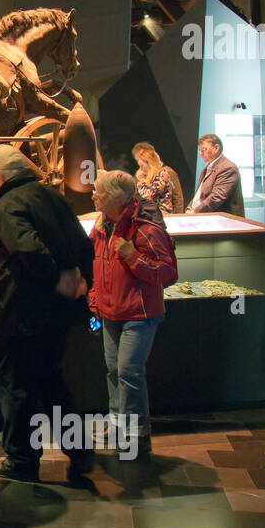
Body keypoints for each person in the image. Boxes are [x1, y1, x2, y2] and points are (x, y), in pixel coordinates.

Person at [0, 145, 94, 482]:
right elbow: (83, 244)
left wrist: (57, 277)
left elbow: (26, 247)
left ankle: (22, 460)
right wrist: (75, 277)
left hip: (20, 312)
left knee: (17, 386)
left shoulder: (8, 204)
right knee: (52, 382)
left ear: (1, 175)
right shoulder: (50, 196)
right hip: (55, 313)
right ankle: (80, 451)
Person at [88, 171, 177, 458]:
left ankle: (137, 435)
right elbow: (95, 264)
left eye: (98, 192)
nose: (93, 196)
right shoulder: (103, 224)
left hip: (139, 315)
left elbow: (167, 272)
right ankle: (117, 427)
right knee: (115, 372)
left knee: (128, 373)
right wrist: (95, 299)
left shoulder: (146, 229)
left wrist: (131, 255)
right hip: (111, 312)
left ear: (116, 197)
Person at [187, 133, 244, 215]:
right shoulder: (207, 168)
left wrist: (194, 211)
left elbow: (216, 198)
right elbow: (199, 195)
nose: (200, 154)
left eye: (203, 150)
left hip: (225, 223)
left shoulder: (228, 168)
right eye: (200, 150)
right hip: (207, 218)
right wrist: (189, 208)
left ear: (216, 147)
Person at [132, 142, 182, 214]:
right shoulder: (141, 174)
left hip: (162, 217)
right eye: (137, 159)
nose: (140, 168)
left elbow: (177, 199)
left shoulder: (164, 173)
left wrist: (176, 218)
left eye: (142, 164)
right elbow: (136, 197)